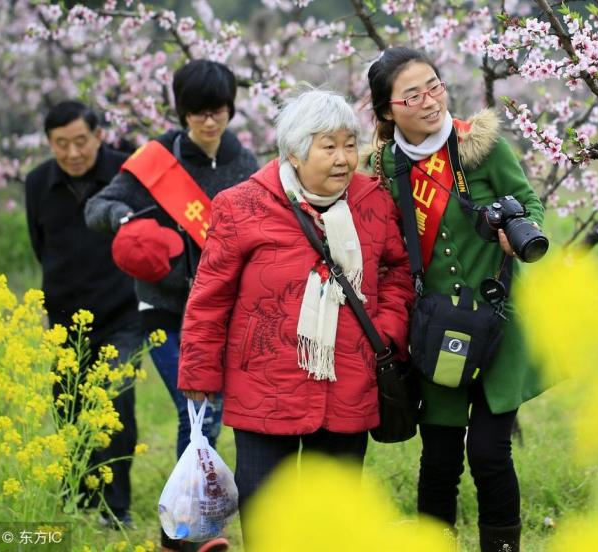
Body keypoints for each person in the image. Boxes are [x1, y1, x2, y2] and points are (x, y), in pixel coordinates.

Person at [176, 89, 414, 546]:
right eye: (329, 146)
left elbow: (398, 270)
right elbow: (210, 295)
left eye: (350, 144)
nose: (344, 158)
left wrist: (385, 330)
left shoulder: (373, 201)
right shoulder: (242, 204)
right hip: (265, 384)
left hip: (349, 379)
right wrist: (199, 368)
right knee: (267, 517)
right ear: (294, 152)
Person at [365, 47, 547, 552]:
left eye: (435, 85)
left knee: (489, 452)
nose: (430, 101)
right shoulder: (382, 165)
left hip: (499, 321)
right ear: (387, 111)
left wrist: (518, 232)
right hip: (435, 332)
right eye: (413, 94)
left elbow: (530, 201)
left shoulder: (478, 145)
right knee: (440, 454)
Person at [84, 59, 258, 552]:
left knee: (211, 414)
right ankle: (190, 528)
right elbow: (98, 207)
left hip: (224, 310)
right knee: (197, 412)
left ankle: (182, 530)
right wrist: (127, 220)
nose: (209, 121)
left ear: (230, 110)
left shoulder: (243, 162)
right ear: (181, 112)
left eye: (218, 111)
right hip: (163, 311)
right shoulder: (156, 159)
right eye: (198, 112)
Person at [25, 100, 140, 528]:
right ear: (50, 144)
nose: (72, 153)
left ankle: (117, 508)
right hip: (65, 322)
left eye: (80, 142)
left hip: (122, 313)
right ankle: (80, 497)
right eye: (61, 144)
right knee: (69, 410)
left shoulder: (126, 172)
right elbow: (40, 245)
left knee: (115, 400)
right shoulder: (38, 183)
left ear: (97, 136)